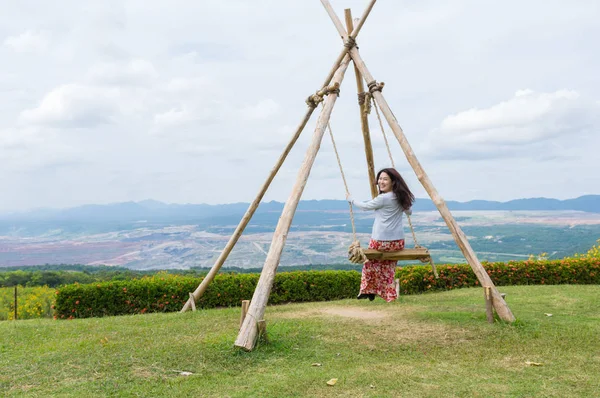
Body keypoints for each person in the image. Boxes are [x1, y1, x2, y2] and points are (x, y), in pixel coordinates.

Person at [347, 168, 414, 302]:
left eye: (385, 179)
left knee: (369, 263)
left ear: (393, 182)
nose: (381, 182)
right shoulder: (400, 196)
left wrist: (351, 200)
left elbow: (365, 206)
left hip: (381, 241)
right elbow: (409, 212)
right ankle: (388, 294)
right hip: (397, 242)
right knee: (388, 268)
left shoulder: (384, 198)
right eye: (380, 179)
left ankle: (368, 290)